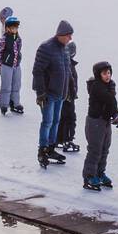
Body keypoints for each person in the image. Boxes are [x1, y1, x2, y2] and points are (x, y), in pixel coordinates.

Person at [32, 21, 73, 170]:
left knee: (56, 121)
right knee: (47, 121)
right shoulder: (46, 48)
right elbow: (37, 71)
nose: (70, 39)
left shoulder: (65, 49)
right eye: (68, 36)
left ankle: (51, 147)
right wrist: (41, 93)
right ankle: (42, 150)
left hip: (60, 94)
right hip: (48, 94)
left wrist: (69, 90)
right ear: (61, 35)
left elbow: (67, 72)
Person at [82, 61, 118, 192]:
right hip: (95, 122)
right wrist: (112, 88)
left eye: (109, 73)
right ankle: (89, 177)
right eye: (104, 73)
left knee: (104, 149)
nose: (108, 76)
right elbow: (109, 99)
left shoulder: (108, 86)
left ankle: (100, 173)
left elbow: (112, 103)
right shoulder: (97, 87)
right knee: (95, 150)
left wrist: (115, 114)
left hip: (105, 121)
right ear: (98, 74)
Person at [55, 27, 81, 156]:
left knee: (62, 117)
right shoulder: (69, 65)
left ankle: (59, 139)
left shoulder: (64, 62)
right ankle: (68, 140)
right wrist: (72, 94)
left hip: (63, 95)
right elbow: (70, 81)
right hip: (68, 96)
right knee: (70, 118)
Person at [0, 8, 23, 115]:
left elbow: (18, 50)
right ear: (7, 28)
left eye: (16, 27)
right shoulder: (3, 40)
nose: (15, 29)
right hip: (6, 65)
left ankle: (15, 103)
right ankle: (4, 105)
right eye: (12, 27)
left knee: (16, 85)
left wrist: (18, 59)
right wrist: (0, 65)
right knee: (6, 86)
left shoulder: (18, 39)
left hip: (16, 65)